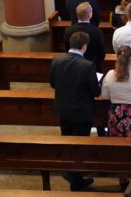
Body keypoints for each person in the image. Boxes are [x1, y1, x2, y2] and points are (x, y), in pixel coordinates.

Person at [50, 31, 100, 191]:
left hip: (63, 109)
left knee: (67, 140)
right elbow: (96, 92)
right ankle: (76, 180)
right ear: (84, 46)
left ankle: (69, 171)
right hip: (81, 112)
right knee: (79, 144)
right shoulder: (87, 65)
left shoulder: (57, 60)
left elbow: (52, 84)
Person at [63, 2, 106, 72]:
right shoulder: (97, 31)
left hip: (74, 66)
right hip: (93, 66)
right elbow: (102, 52)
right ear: (89, 15)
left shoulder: (68, 30)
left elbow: (67, 49)